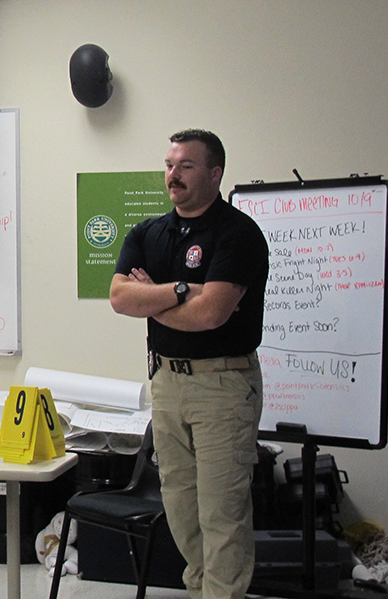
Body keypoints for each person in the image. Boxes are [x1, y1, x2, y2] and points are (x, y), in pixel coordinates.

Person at [110, 129, 269, 599]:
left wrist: (152, 297)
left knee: (221, 511)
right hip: (167, 382)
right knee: (180, 505)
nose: (172, 175)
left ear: (215, 173)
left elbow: (211, 313)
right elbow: (120, 297)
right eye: (169, 165)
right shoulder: (148, 233)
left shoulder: (237, 234)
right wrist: (180, 289)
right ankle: (201, 589)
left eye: (186, 166)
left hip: (222, 384)